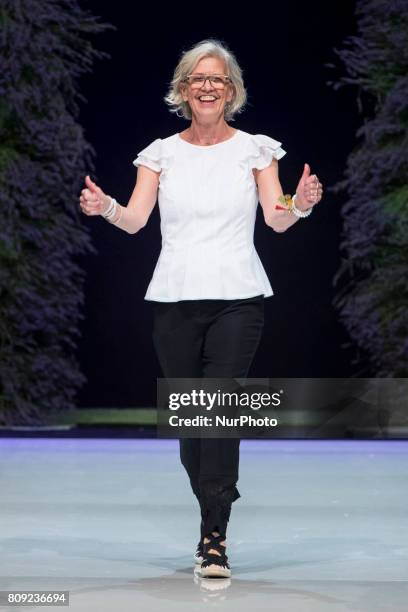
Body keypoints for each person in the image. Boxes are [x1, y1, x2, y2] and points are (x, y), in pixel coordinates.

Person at [79, 38, 323, 579]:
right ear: (184, 89)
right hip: (174, 299)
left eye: (218, 78)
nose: (208, 86)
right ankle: (208, 504)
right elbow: (136, 219)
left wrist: (299, 205)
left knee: (219, 409)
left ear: (231, 91)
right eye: (198, 78)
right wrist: (105, 208)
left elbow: (276, 217)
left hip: (239, 297)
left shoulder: (256, 149)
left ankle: (215, 537)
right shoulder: (160, 153)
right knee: (193, 423)